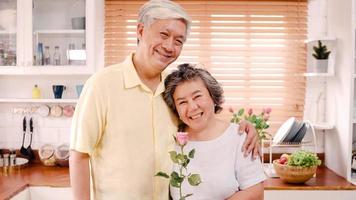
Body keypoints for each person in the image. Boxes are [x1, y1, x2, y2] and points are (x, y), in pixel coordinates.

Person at [69, 0, 260, 199]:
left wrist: (244, 129)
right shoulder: (102, 85)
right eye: (164, 34)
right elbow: (80, 155)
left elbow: (202, 120)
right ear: (141, 31)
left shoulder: (174, 88)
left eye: (178, 41)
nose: (169, 46)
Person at [163, 63, 266, 200]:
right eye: (182, 102)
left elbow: (255, 193)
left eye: (197, 96)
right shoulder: (172, 139)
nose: (192, 107)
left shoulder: (239, 137)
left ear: (213, 97)